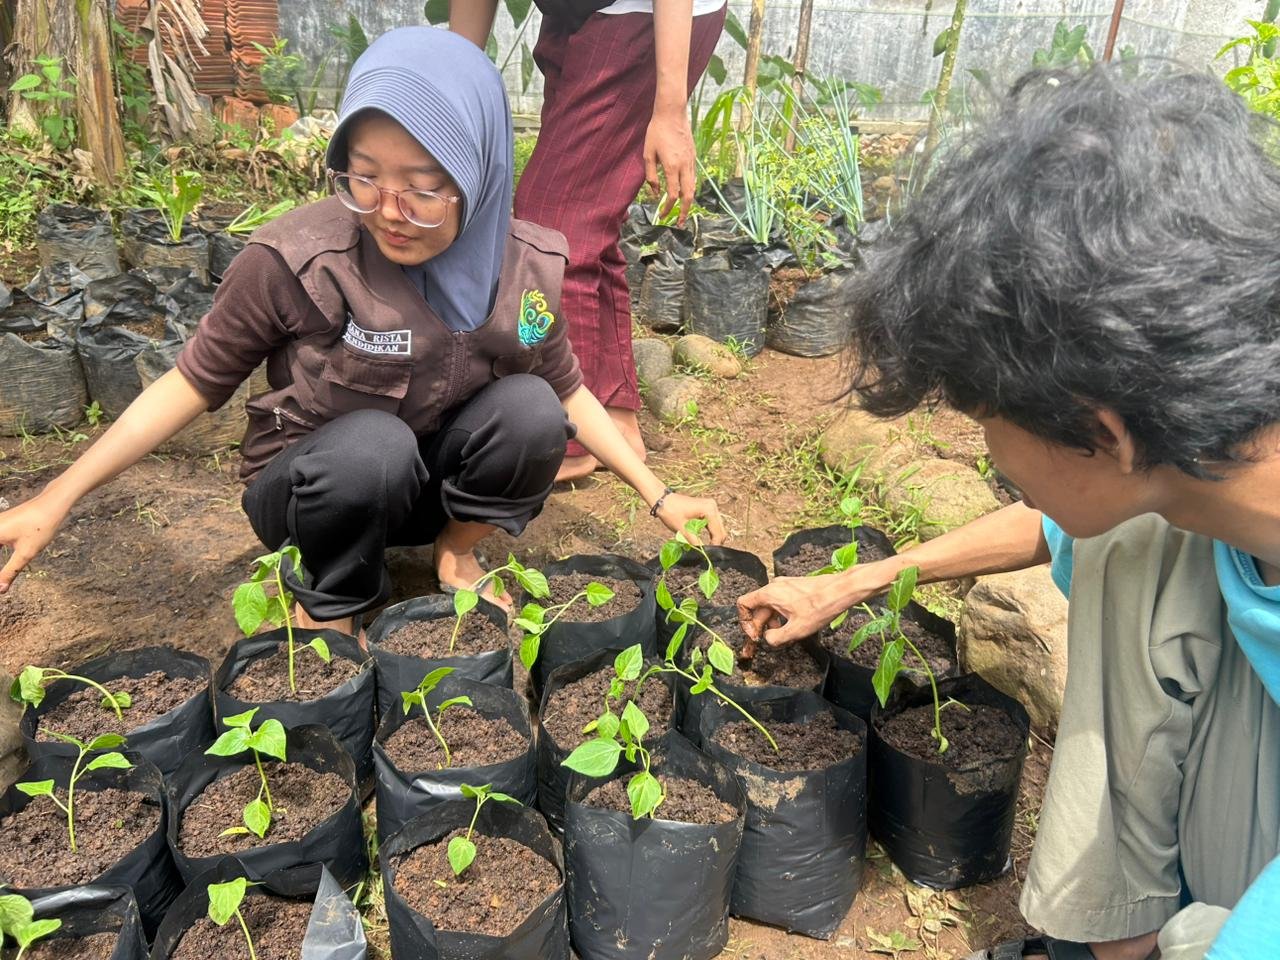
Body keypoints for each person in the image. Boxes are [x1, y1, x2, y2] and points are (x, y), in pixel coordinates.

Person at [738, 65, 1280, 960]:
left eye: (986, 421)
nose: (991, 455)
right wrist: (853, 581)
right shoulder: (1199, 463)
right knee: (1132, 550)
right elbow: (1057, 525)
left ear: (1099, 433)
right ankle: (1116, 937)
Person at [0, 26, 724, 638]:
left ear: (480, 170)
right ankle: (334, 597)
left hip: (422, 488)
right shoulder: (296, 258)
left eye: (424, 183)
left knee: (532, 410)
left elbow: (567, 392)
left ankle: (455, 555)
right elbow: (190, 383)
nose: (389, 209)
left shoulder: (525, 266)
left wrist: (660, 496)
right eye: (365, 176)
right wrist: (54, 498)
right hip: (319, 489)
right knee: (373, 445)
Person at [450, 0, 727, 481]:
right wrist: (455, 87)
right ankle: (614, 419)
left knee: (552, 226)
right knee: (585, 216)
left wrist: (670, 110)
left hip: (649, 18)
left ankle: (571, 439)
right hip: (586, 13)